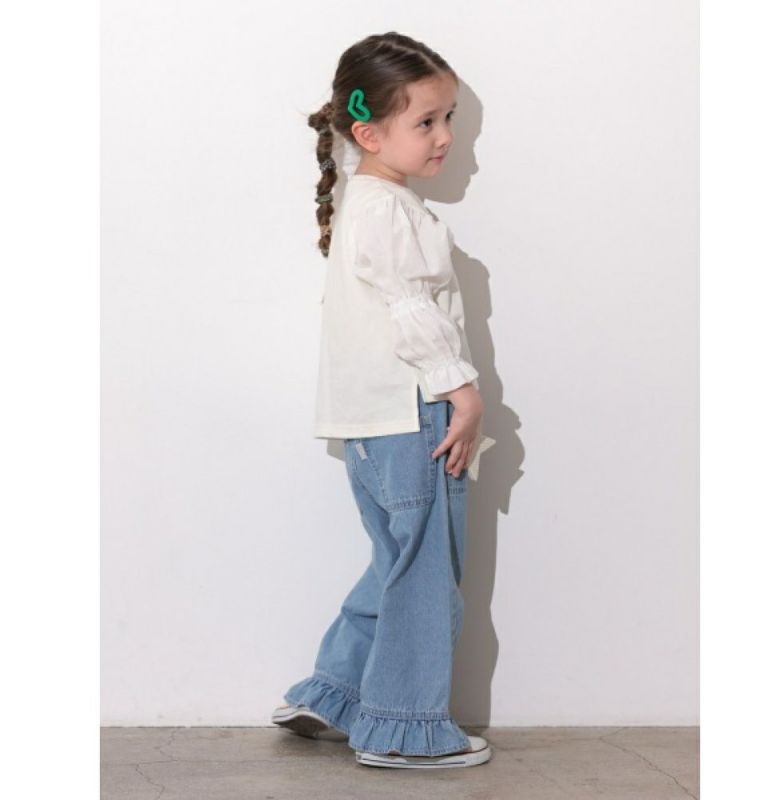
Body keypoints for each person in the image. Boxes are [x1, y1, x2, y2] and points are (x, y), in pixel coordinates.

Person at [271, 31, 494, 769]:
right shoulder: (390, 210)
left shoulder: (363, 203)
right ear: (368, 132)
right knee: (426, 575)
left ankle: (335, 691)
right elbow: (411, 310)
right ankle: (402, 726)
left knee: (399, 562)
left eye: (448, 117)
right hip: (413, 413)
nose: (446, 137)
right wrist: (462, 392)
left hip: (371, 422)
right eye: (426, 121)